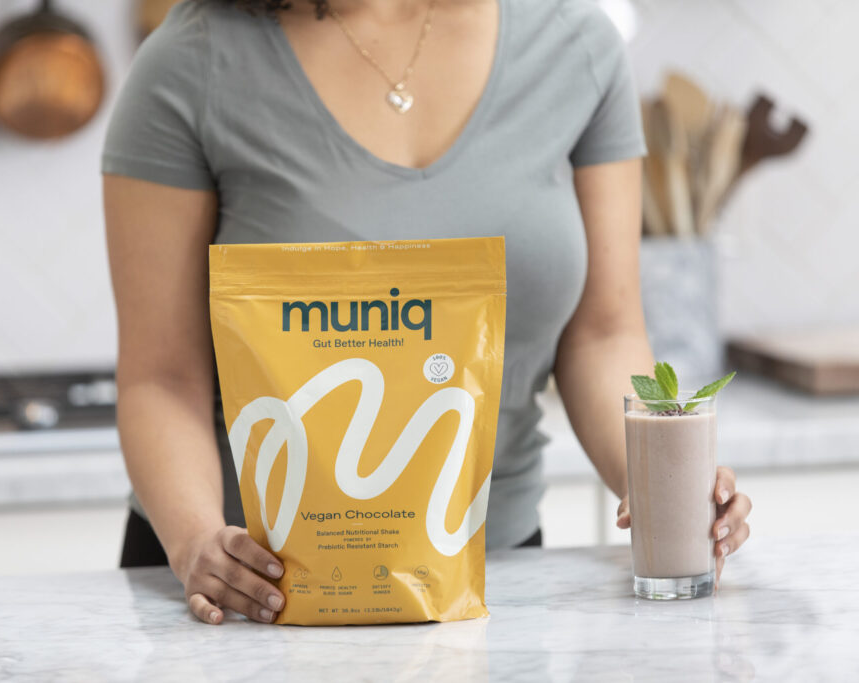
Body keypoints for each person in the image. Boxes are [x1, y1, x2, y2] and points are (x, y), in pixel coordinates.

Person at [100, 0, 752, 626]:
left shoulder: (575, 44)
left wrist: (658, 482)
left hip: (490, 574)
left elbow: (603, 333)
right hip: (251, 588)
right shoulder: (193, 60)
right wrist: (195, 542)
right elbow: (162, 377)